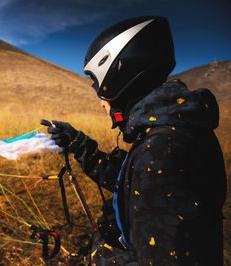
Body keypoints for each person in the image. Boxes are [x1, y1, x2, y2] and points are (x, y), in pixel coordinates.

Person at [41, 16, 227, 265]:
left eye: (99, 86)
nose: (101, 103)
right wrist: (77, 143)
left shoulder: (163, 148)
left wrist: (101, 252)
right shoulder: (171, 131)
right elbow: (131, 179)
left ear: (118, 81)